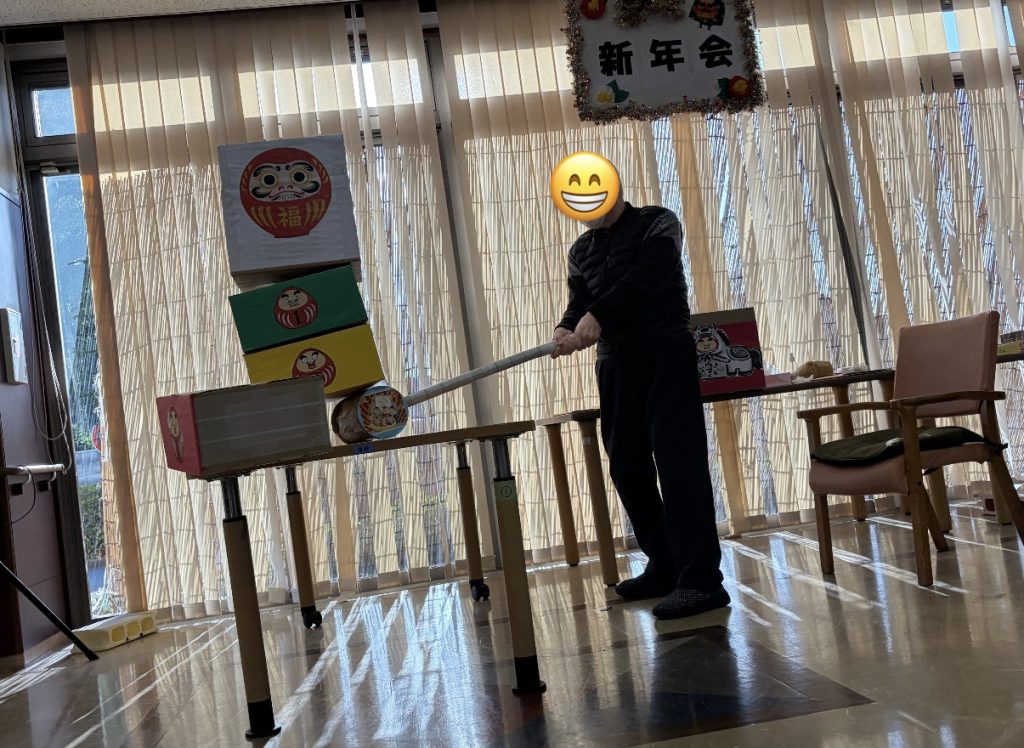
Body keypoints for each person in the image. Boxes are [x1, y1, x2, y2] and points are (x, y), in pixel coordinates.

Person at [551, 186, 729, 620]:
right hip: (615, 363)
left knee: (679, 465)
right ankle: (665, 565)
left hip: (665, 353)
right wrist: (566, 327)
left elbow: (649, 277)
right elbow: (580, 302)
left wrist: (600, 315)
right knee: (627, 468)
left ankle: (701, 581)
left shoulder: (658, 222)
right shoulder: (580, 250)